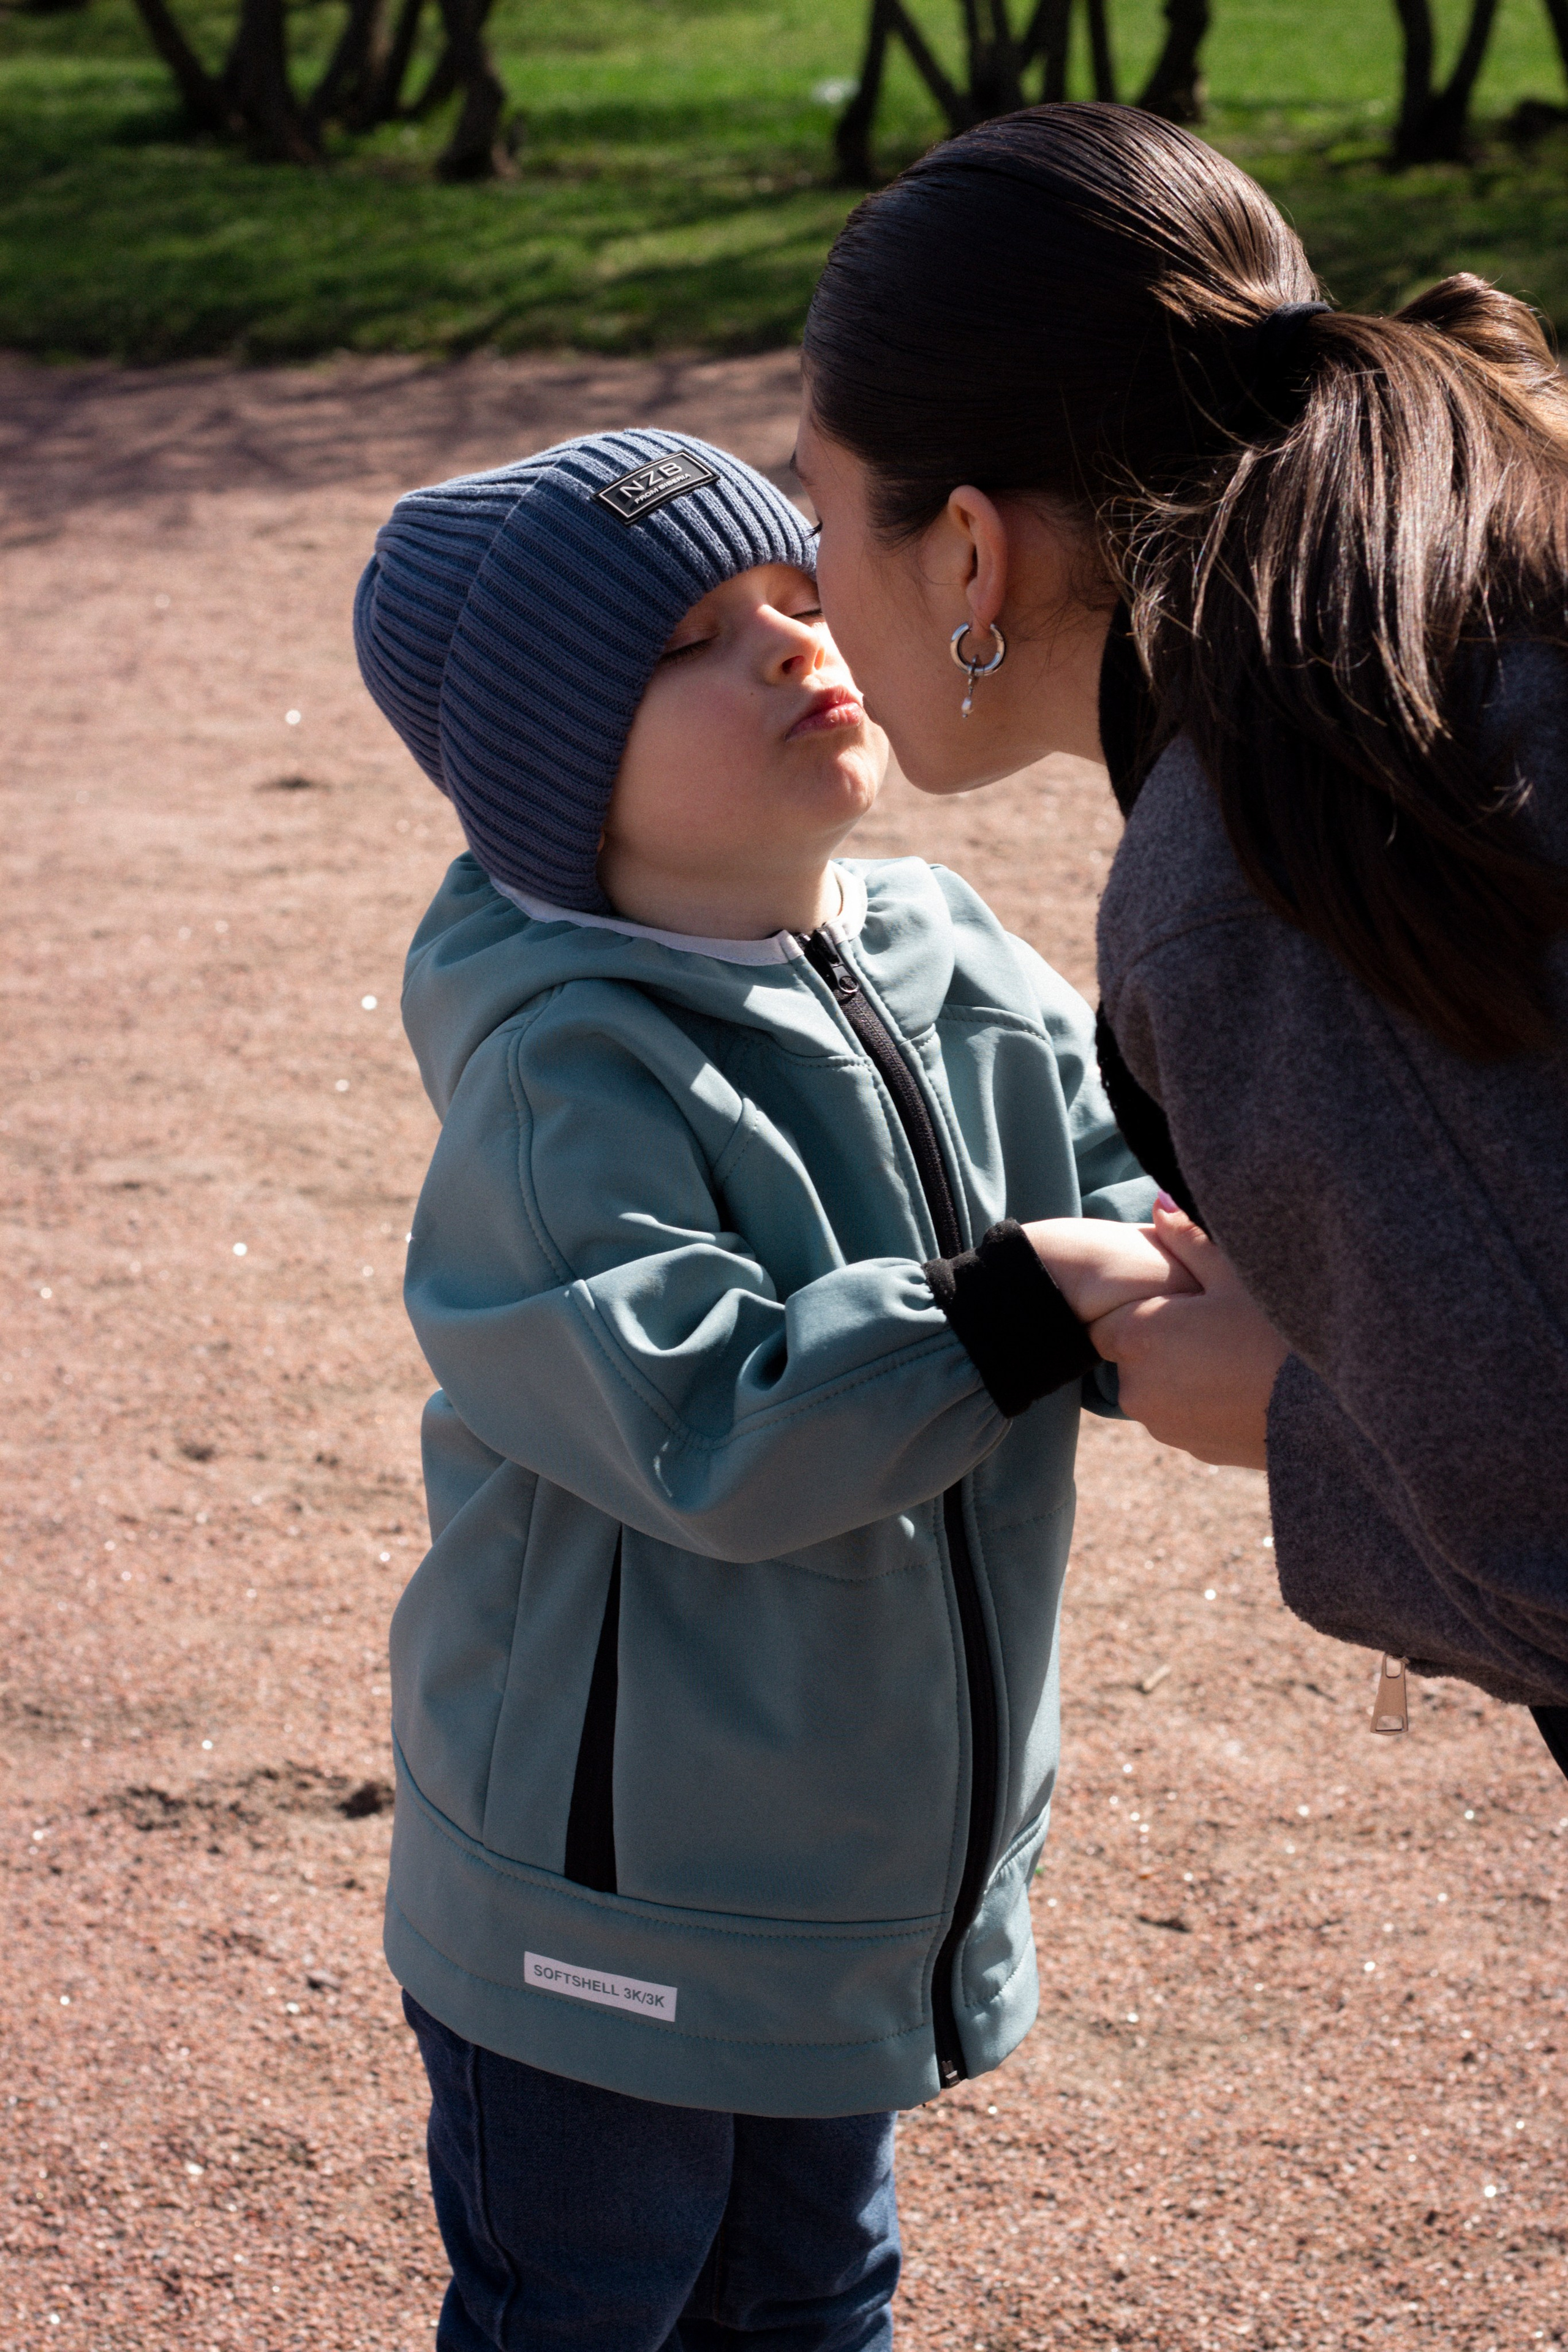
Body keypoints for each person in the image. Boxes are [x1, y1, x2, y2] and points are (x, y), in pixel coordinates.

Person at [353, 428, 1195, 2348]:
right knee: (592, 2301)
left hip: (845, 1876)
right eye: (694, 642)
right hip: (605, 1912)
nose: (795, 645)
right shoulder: (568, 1073)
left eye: (801, 595)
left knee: (817, 2294)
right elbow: (704, 1425)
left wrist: (1203, 1257)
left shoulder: (942, 947)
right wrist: (1008, 1314)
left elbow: (1125, 1183)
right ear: (557, 777)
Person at [794, 100, 1568, 1771]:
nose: (809, 583)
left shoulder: (1272, 861)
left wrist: (1297, 1419)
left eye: (821, 510)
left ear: (972, 553)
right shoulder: (1462, 630)